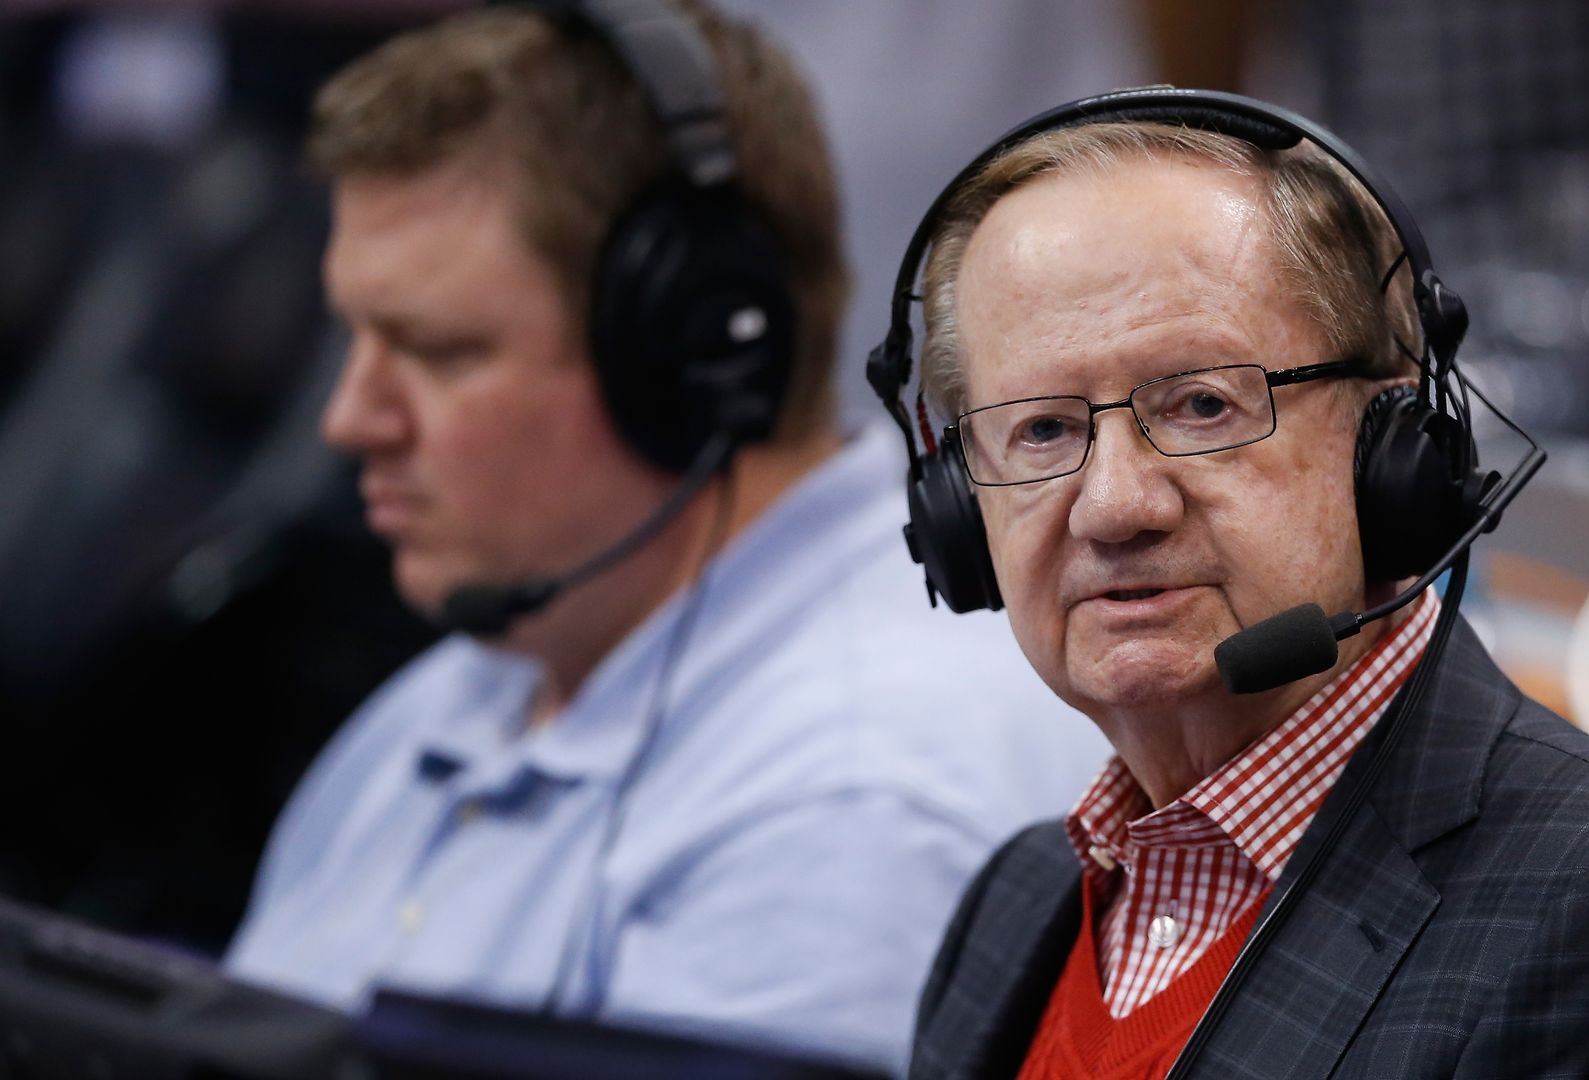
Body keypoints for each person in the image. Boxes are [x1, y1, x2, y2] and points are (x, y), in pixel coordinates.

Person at [221, 2, 1107, 1074]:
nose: (350, 419)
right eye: (356, 337)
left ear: (699, 359)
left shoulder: (857, 799)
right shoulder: (476, 686)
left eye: (439, 351)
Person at [878, 90, 1589, 1078]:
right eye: (1043, 430)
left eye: (1201, 405)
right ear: (958, 511)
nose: (1113, 505)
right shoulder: (1013, 906)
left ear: (1397, 450)